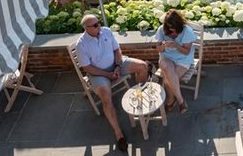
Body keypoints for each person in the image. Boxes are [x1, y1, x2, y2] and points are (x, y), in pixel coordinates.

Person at [74, 14, 152, 152]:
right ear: (86, 29)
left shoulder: (106, 31)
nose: (99, 26)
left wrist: (116, 67)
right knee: (105, 99)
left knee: (143, 66)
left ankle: (139, 97)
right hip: (98, 73)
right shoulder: (81, 44)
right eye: (95, 25)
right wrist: (108, 74)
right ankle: (118, 133)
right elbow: (87, 68)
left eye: (98, 23)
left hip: (116, 65)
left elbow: (117, 50)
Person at [154, 10, 197, 114]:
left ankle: (171, 100)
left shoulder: (187, 31)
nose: (171, 30)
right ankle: (181, 101)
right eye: (169, 27)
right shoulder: (162, 30)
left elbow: (186, 52)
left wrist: (176, 46)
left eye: (174, 28)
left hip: (183, 59)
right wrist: (162, 46)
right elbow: (159, 50)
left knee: (168, 79)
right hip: (166, 57)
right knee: (170, 73)